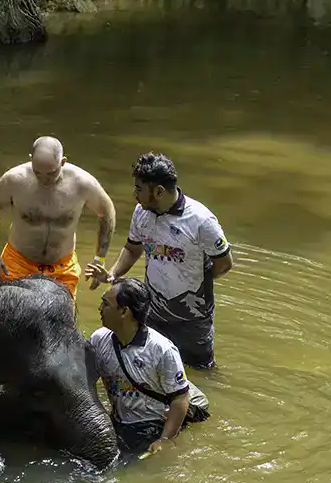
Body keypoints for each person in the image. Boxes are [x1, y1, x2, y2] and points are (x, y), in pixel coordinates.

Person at [85, 152, 234, 368]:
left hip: (192, 319)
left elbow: (224, 264)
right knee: (149, 366)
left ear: (159, 191)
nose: (134, 194)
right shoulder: (142, 213)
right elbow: (132, 249)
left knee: (199, 373)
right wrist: (112, 274)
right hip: (152, 312)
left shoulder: (201, 221)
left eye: (139, 188)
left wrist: (198, 282)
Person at [0, 136, 116, 300]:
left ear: (63, 162)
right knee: (9, 318)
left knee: (61, 321)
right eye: (38, 173)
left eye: (51, 173)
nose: (44, 179)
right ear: (31, 161)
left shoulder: (82, 183)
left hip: (61, 265)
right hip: (19, 262)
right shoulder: (14, 180)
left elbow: (107, 212)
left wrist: (99, 258)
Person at [90, 277, 210, 455]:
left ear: (124, 311)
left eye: (105, 304)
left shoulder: (161, 350)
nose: (100, 309)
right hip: (120, 420)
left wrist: (164, 440)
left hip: (152, 425)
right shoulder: (99, 340)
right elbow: (86, 380)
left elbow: (179, 399)